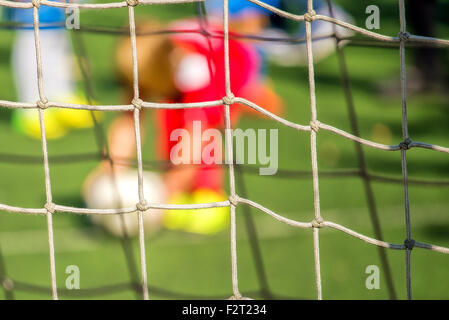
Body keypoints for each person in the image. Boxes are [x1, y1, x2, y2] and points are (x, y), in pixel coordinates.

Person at [86, 16, 283, 236]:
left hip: (228, 59)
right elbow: (127, 123)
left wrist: (167, 189)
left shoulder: (195, 71)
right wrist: (109, 170)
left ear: (164, 72)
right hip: (192, 54)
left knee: (205, 123)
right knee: (173, 120)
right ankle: (183, 189)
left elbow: (196, 135)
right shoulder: (142, 63)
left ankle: (208, 193)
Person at [5, 0, 97, 139]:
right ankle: (30, 110)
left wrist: (73, 19)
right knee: (33, 57)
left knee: (60, 54)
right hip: (30, 21)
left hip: (58, 20)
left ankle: (63, 97)